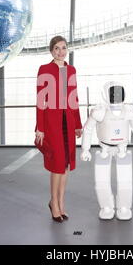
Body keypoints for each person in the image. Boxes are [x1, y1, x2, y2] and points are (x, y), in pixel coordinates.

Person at [80, 81, 133, 221]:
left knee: (125, 181)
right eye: (113, 93)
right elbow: (87, 129)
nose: (116, 96)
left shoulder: (129, 111)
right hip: (104, 149)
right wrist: (85, 149)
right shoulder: (100, 111)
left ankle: (124, 207)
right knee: (101, 181)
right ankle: (106, 206)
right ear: (105, 94)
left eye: (119, 92)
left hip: (122, 149)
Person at [35, 36, 82, 223]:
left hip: (68, 123)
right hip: (52, 124)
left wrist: (78, 124)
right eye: (57, 48)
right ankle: (53, 203)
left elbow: (74, 98)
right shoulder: (44, 70)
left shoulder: (71, 70)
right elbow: (40, 100)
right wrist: (40, 127)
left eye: (64, 48)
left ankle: (61, 202)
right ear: (51, 51)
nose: (61, 51)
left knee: (67, 165)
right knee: (57, 165)